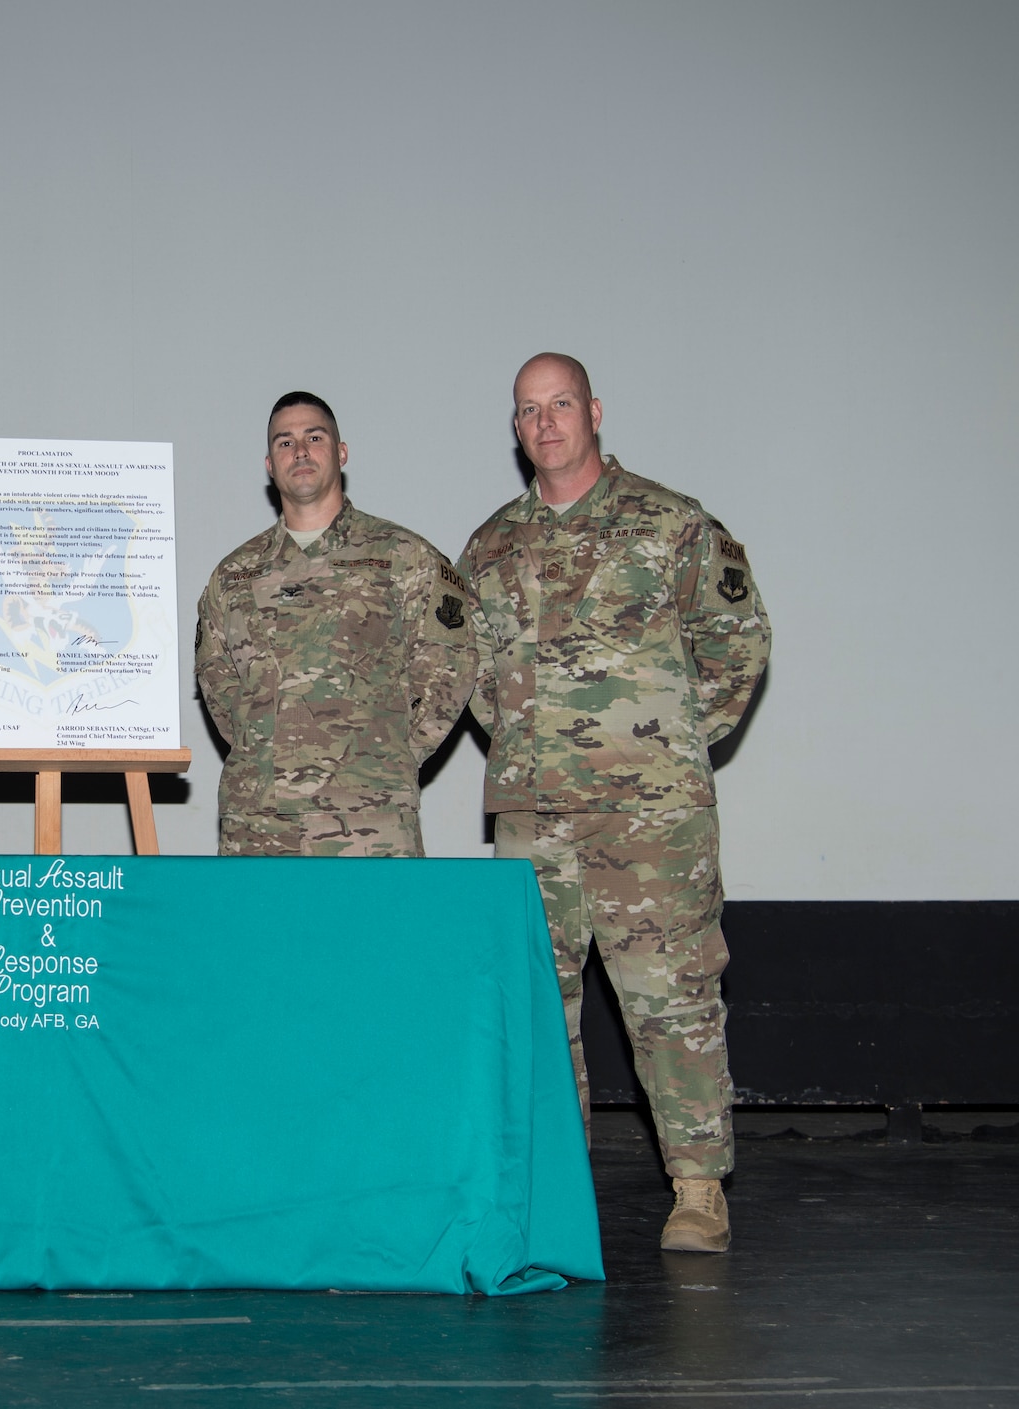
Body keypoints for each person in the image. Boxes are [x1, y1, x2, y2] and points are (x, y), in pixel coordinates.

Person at [459, 353, 771, 1254]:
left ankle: (699, 1186)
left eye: (560, 404)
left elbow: (737, 643)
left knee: (670, 996)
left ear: (594, 410)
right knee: (537, 1004)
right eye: (528, 410)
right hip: (533, 813)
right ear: (514, 428)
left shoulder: (671, 525)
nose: (545, 422)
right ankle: (557, 1187)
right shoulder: (489, 547)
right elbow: (476, 681)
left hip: (651, 822)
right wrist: (532, 743)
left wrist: (664, 747)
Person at [194, 391, 477, 856]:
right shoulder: (233, 575)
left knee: (374, 933)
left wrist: (383, 751)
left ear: (341, 453)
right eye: (284, 443)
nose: (300, 451)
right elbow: (218, 686)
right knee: (261, 932)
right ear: (269, 464)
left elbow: (451, 664)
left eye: (314, 437)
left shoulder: (402, 556)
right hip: (259, 819)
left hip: (370, 816)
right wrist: (268, 744)